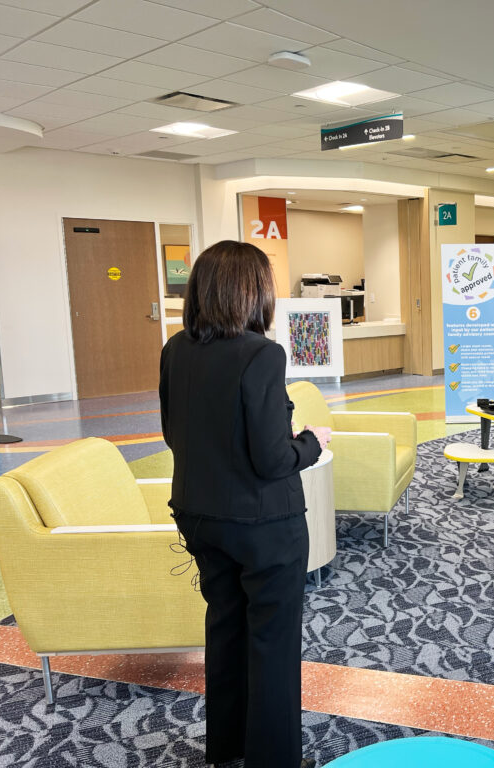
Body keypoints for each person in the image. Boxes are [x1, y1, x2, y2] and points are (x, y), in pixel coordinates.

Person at [159, 240, 331, 768]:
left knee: (226, 626)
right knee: (273, 644)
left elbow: (173, 434)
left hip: (198, 515)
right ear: (252, 292)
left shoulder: (175, 349)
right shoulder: (262, 353)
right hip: (264, 524)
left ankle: (226, 745)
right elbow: (273, 459)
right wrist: (313, 441)